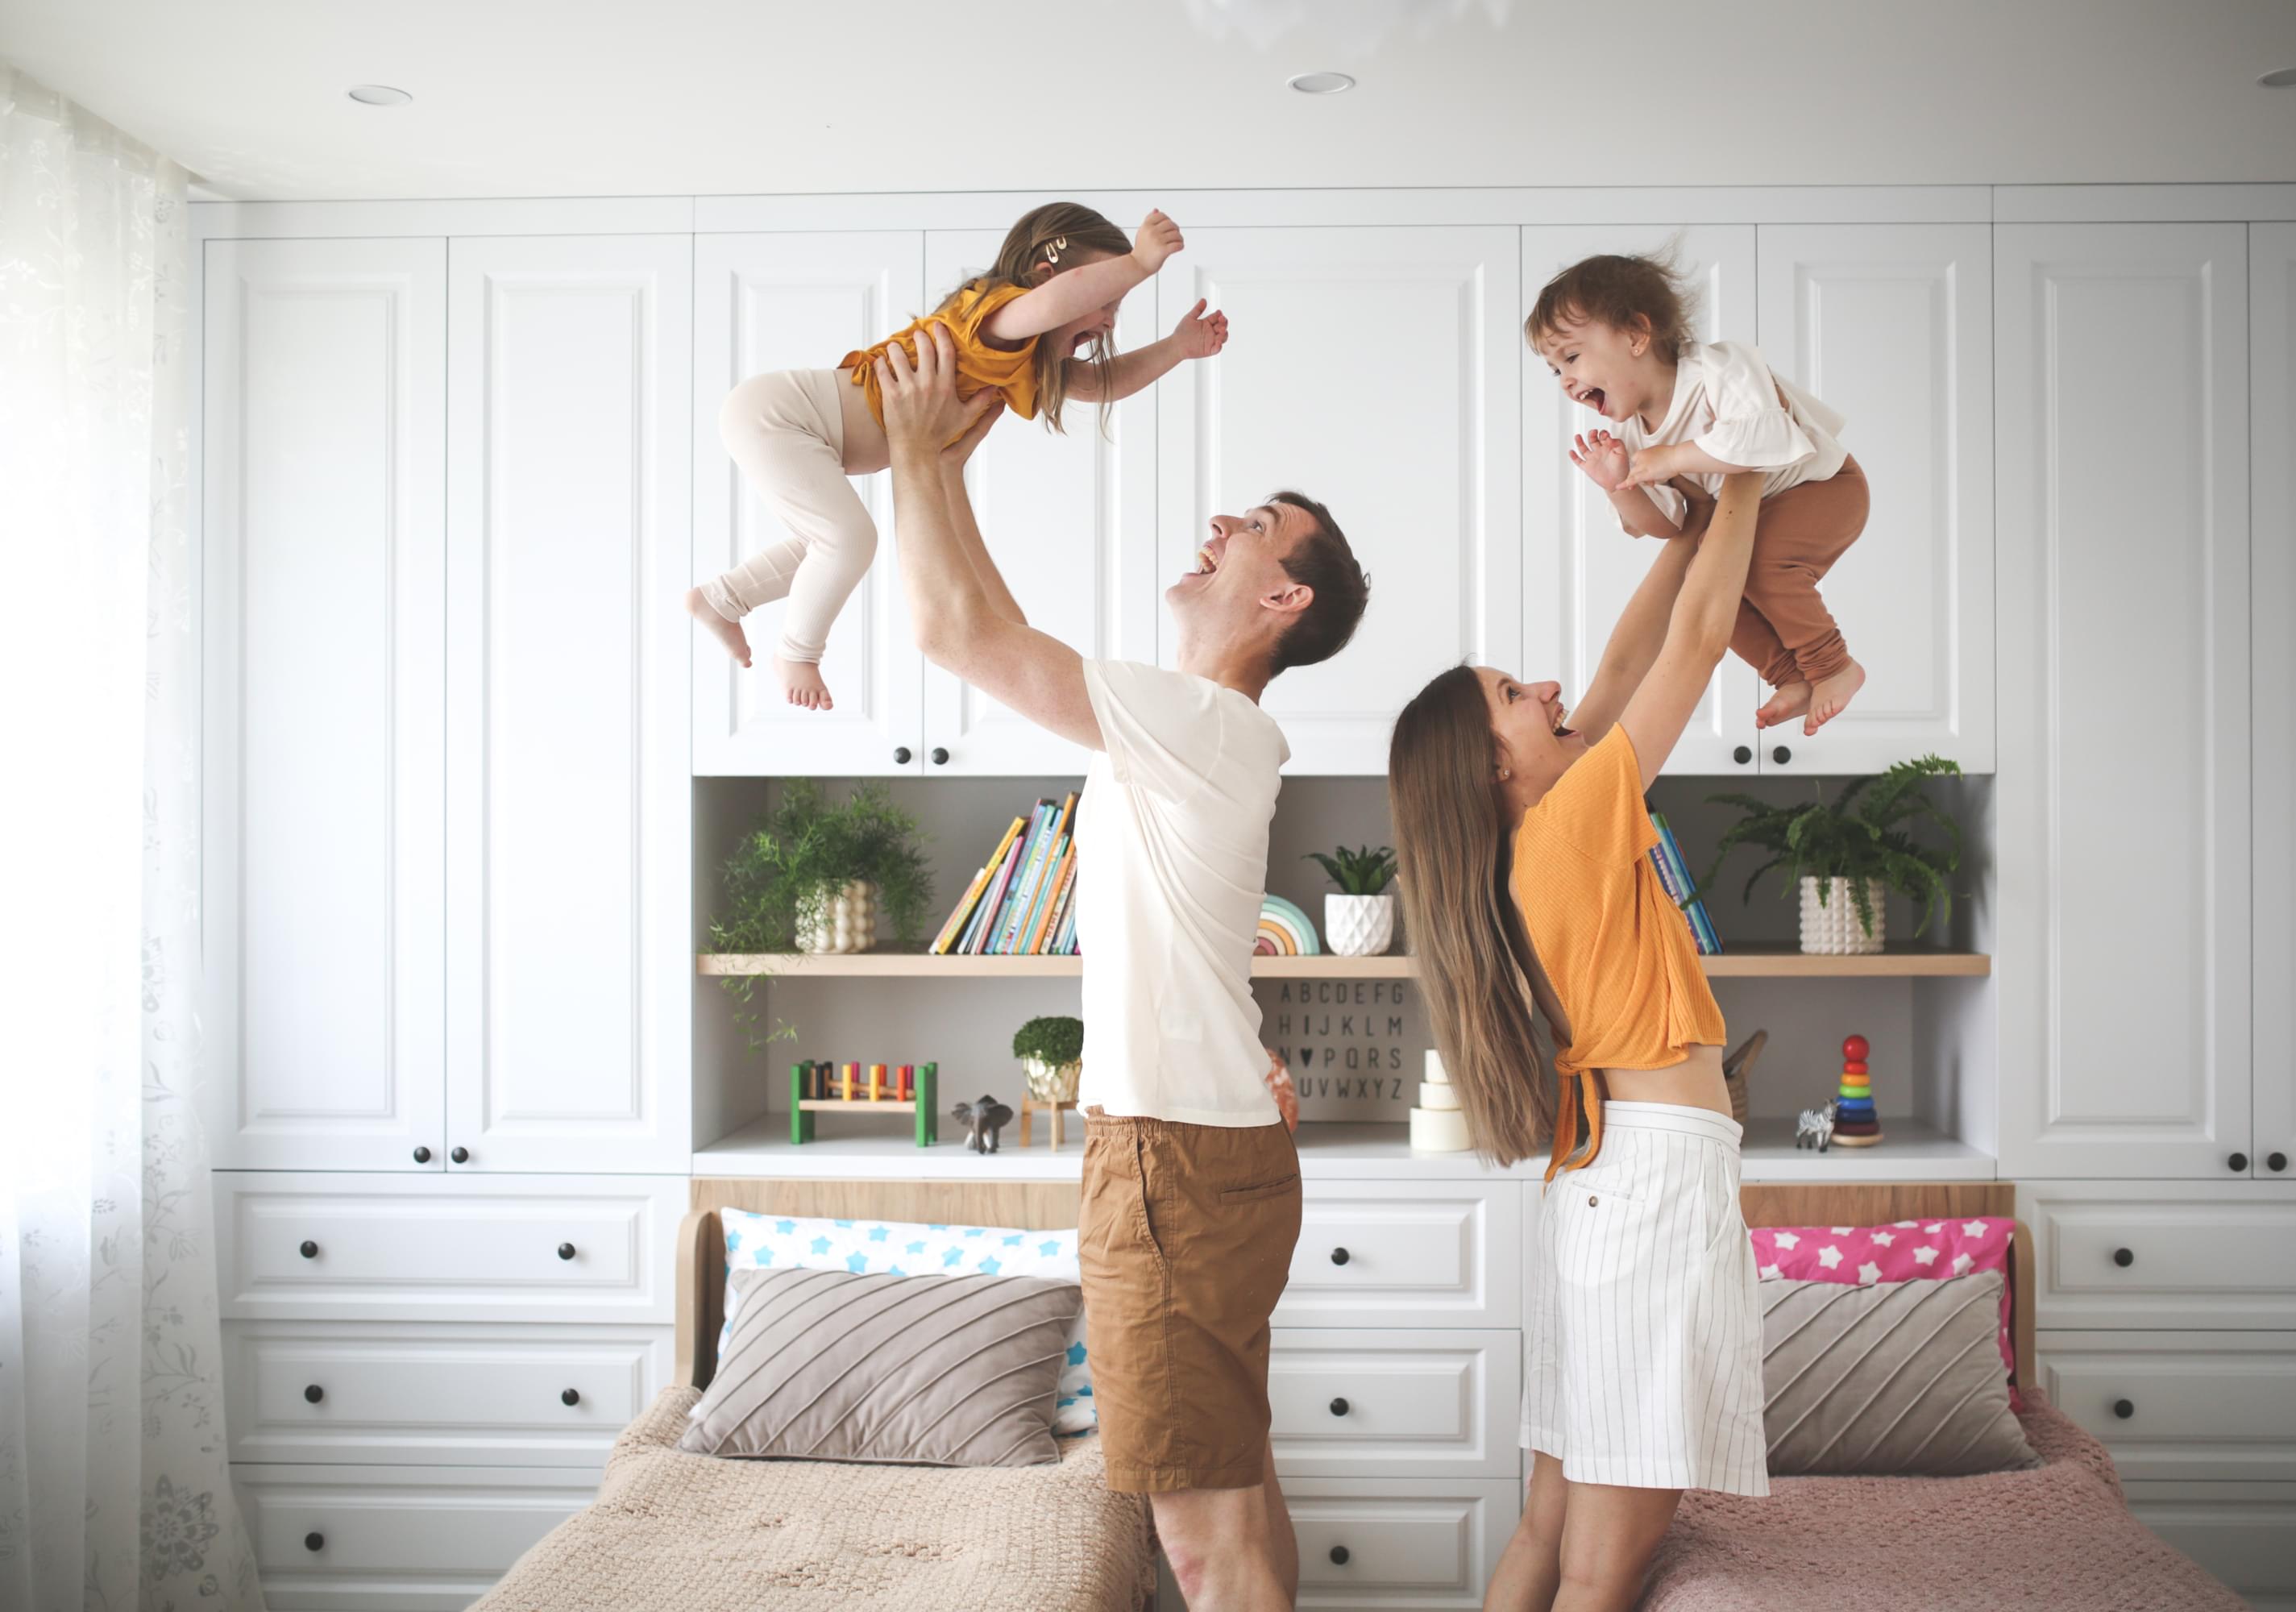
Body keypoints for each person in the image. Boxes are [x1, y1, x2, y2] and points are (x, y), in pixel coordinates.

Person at [873, 323, 1371, 1612]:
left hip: (1171, 1163)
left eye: (1256, 524)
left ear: (1283, 599)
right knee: (1241, 1488)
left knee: (1201, 1542)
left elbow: (951, 632)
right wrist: (938, 466)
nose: (1221, 522)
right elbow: (988, 621)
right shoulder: (1208, 727)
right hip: (1209, 1153)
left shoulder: (1196, 718)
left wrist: (926, 456)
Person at [1389, 471, 1773, 1612]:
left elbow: (1617, 669)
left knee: (1549, 1533)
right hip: (1650, 1188)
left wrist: (1689, 530)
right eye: (1515, 692)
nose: (1548, 687)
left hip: (1601, 1195)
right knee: (1604, 1570)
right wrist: (1745, 477)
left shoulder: (1529, 849)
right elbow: (1696, 645)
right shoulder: (1572, 826)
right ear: (1497, 764)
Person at [690, 202, 1228, 709]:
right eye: (1106, 299)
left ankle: (723, 599)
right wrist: (1138, 263)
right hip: (782, 413)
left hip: (793, 424)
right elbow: (1048, 307)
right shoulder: (993, 319)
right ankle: (797, 653)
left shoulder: (1022, 362)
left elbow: (1099, 384)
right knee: (848, 540)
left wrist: (1177, 347)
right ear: (1046, 276)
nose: (1110, 319)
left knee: (829, 544)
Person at [1532, 247, 1868, 734]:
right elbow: (1670, 525)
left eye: (1572, 357)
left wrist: (1672, 458)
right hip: (1757, 512)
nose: (1565, 381)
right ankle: (1789, 674)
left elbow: (1765, 440)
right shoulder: (1630, 435)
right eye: (1554, 370)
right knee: (1705, 585)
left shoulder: (1718, 369)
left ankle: (1833, 666)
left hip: (1822, 487)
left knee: (1762, 565)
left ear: (1636, 335)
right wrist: (1619, 487)